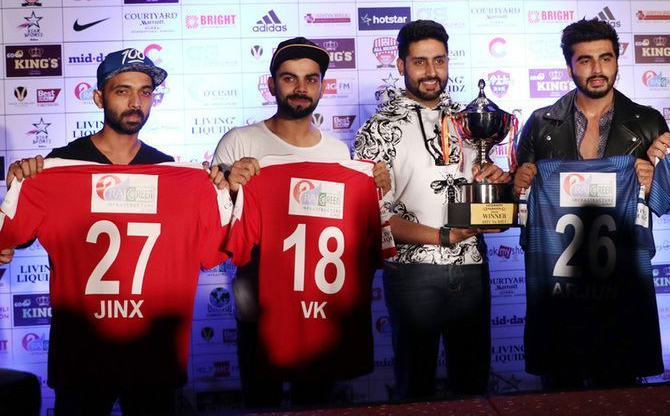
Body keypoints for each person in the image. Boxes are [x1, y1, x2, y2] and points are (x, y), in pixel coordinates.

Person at [5, 48, 228, 415]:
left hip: (152, 355)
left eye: (145, 91)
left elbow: (209, 254)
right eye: (122, 90)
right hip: (84, 356)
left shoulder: (171, 172)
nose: (136, 101)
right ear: (98, 97)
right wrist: (23, 183)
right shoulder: (59, 166)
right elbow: (14, 239)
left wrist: (218, 190)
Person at [212, 37, 390, 408]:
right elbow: (219, 230)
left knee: (316, 407)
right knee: (262, 406)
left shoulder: (338, 153)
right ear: (271, 84)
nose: (300, 88)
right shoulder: (238, 141)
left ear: (322, 87)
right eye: (289, 78)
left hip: (319, 314)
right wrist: (230, 187)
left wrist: (373, 189)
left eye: (311, 79)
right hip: (259, 314)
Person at [354, 20, 510, 400]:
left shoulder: (472, 119)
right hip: (411, 274)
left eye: (438, 61)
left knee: (474, 384)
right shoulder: (377, 128)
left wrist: (497, 184)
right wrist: (443, 236)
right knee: (414, 385)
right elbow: (374, 220)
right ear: (401, 65)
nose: (431, 72)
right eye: (420, 62)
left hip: (472, 265)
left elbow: (488, 201)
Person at [513, 19, 667, 389]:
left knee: (619, 391)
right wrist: (518, 187)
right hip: (557, 285)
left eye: (605, 58)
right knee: (560, 389)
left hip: (622, 281)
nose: (597, 70)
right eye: (585, 60)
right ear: (569, 66)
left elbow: (663, 201)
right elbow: (518, 211)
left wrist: (652, 179)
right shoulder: (540, 124)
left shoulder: (648, 121)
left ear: (617, 60)